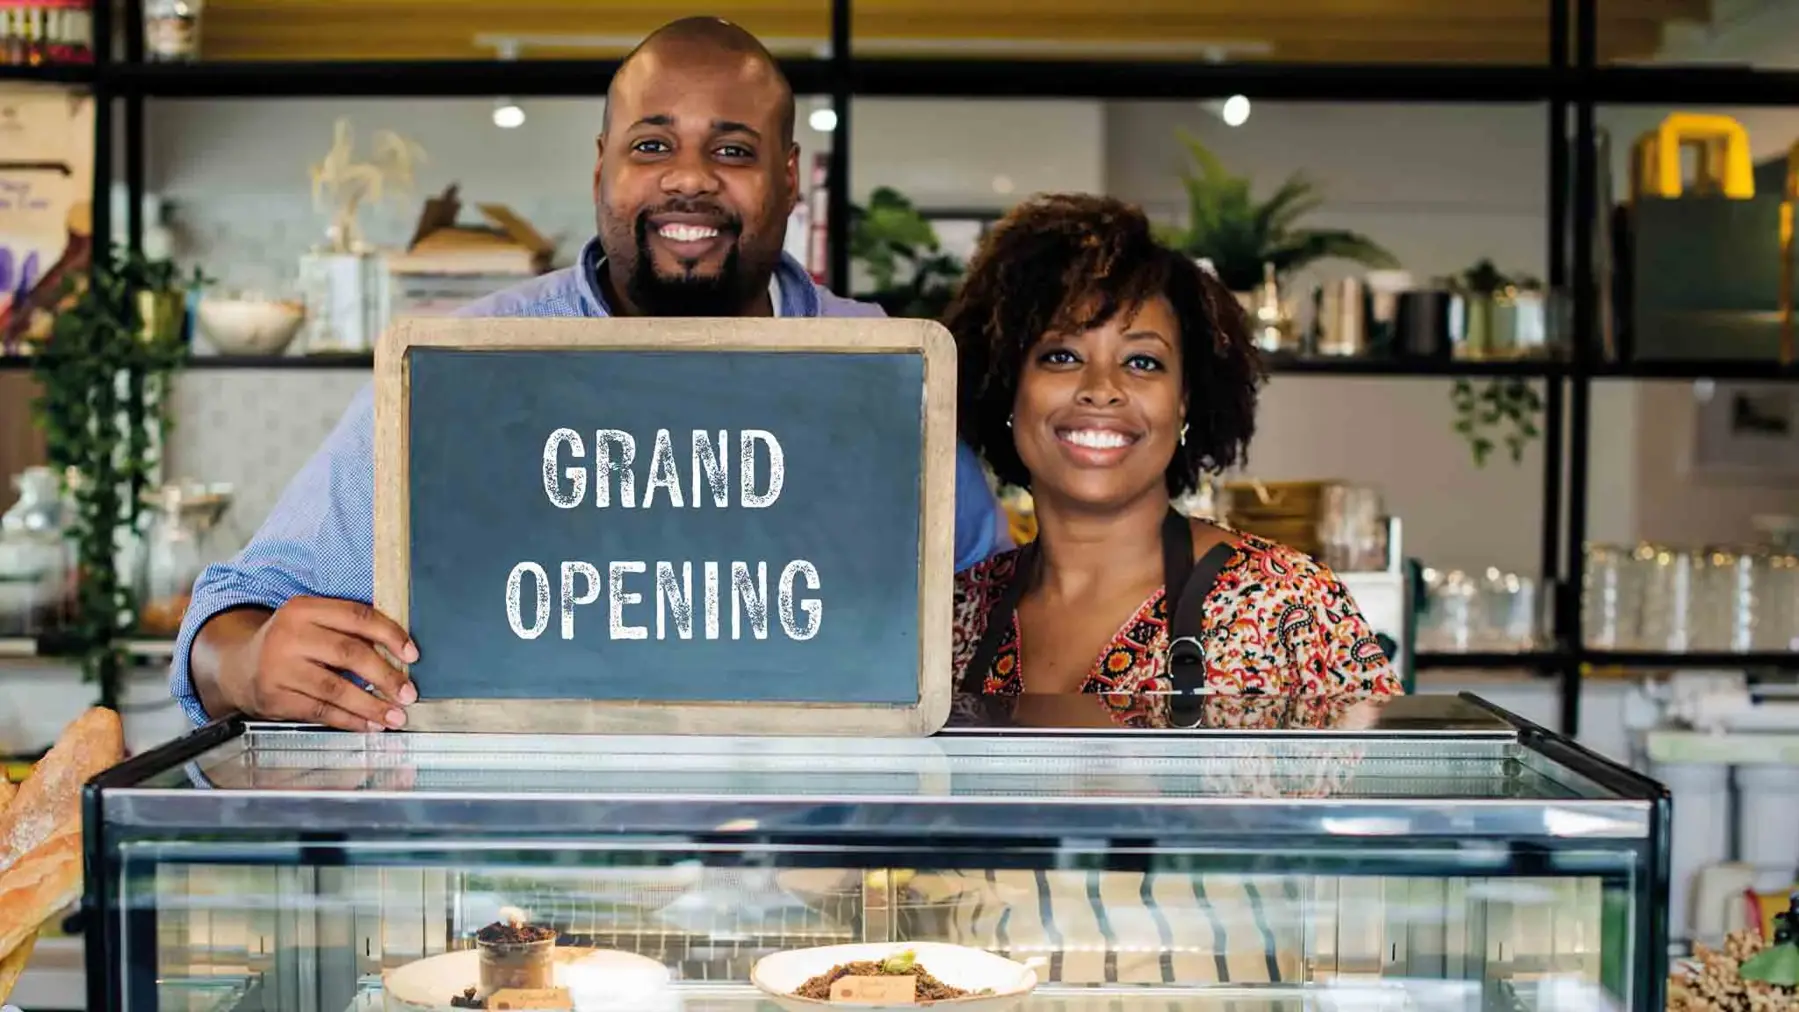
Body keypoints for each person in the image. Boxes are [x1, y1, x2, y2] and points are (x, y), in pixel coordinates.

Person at [170, 16, 1009, 732]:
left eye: (732, 148)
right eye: (652, 145)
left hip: (817, 873)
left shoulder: (889, 378)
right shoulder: (463, 368)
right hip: (522, 889)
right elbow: (235, 612)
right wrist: (248, 665)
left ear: (788, 177)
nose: (689, 177)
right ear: (601, 164)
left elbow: (994, 618)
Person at [944, 193, 1401, 728]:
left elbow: (1388, 805)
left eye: (1142, 361)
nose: (1102, 389)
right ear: (1008, 388)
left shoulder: (1289, 608)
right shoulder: (957, 614)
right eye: (1061, 356)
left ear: (1185, 401)